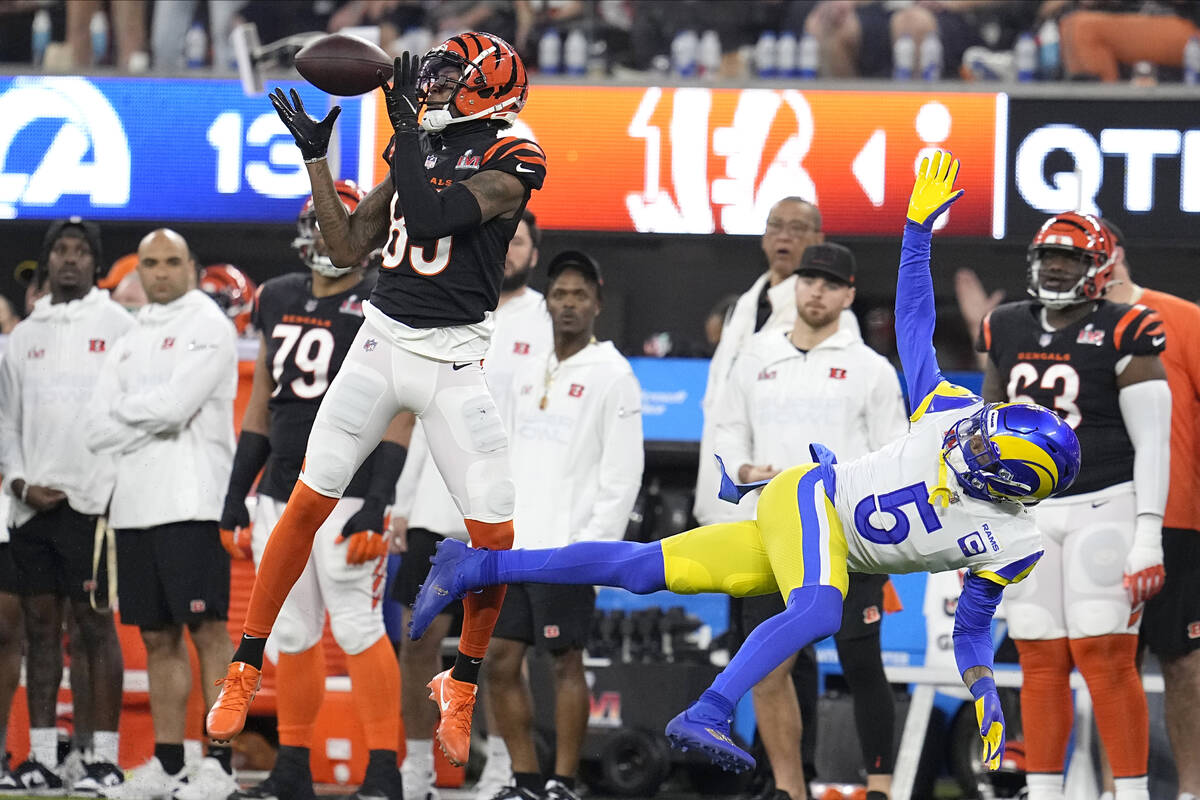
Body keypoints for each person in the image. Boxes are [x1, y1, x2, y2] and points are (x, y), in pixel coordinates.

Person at [410, 150, 1082, 780]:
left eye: (984, 450)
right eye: (981, 431)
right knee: (818, 608)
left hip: (825, 542)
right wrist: (916, 231)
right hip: (811, 501)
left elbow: (971, 630)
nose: (969, 438)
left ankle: (473, 566)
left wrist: (987, 692)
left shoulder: (1014, 542)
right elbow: (913, 323)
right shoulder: (948, 411)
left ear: (1007, 489)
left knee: (641, 570)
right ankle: (706, 710)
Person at [207, 32, 548, 771]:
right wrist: (318, 160)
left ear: (493, 85)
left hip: (454, 360)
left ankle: (460, 683)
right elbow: (345, 244)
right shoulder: (420, 144)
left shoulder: (514, 157)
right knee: (304, 501)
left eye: (453, 72)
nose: (433, 81)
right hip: (380, 344)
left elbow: (431, 221)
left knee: (496, 539)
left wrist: (403, 138)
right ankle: (246, 663)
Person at [219, 182, 410, 800]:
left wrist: (378, 504)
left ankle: (384, 769)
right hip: (281, 490)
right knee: (292, 633)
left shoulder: (385, 297)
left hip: (348, 491)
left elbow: (401, 407)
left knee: (357, 626)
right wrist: (235, 495)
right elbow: (260, 406)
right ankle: (293, 765)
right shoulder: (275, 297)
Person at [977, 212, 1168, 800]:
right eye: (1050, 257)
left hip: (1104, 504)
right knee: (1036, 652)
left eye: (1073, 259)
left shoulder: (1126, 328)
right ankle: (1045, 788)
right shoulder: (1004, 326)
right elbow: (985, 432)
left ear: (1100, 268)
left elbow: (1155, 440)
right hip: (1027, 514)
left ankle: (1131, 793)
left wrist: (1148, 534)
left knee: (1103, 652)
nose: (1058, 268)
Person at [711, 242, 908, 800]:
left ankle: (879, 788)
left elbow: (894, 452)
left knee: (860, 662)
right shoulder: (755, 356)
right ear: (793, 287)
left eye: (829, 283)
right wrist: (742, 467)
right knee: (770, 669)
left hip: (847, 536)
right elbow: (727, 430)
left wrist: (848, 486)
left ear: (848, 293)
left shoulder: (871, 367)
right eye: (808, 280)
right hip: (772, 534)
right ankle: (791, 790)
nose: (816, 291)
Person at [389, 209, 551, 800]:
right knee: (416, 643)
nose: (507, 250)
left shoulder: (548, 320)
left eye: (518, 240)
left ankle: (507, 770)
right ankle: (414, 772)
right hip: (433, 503)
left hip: (501, 512)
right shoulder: (447, 305)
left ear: (534, 252)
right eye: (499, 238)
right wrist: (401, 502)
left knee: (502, 653)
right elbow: (417, 406)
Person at [84, 228, 239, 800]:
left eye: (172, 262)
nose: (161, 273)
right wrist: (138, 416)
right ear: (139, 269)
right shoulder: (128, 337)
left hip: (192, 503)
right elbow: (94, 427)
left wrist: (125, 412)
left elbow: (177, 409)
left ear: (193, 267)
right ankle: (170, 764)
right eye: (150, 263)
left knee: (207, 631)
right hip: (135, 507)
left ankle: (218, 766)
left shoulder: (208, 326)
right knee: (156, 638)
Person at [484, 250, 643, 800]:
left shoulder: (613, 375)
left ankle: (564, 781)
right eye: (559, 294)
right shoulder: (528, 370)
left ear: (598, 303)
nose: (568, 304)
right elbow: (500, 452)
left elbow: (623, 475)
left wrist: (594, 552)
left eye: (579, 294)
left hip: (569, 550)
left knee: (563, 661)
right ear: (547, 303)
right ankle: (526, 778)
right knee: (498, 663)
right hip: (516, 546)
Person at [0, 218, 132, 794]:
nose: (70, 260)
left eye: (81, 251)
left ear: (96, 264)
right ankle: (44, 756)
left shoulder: (121, 326)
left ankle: (101, 757)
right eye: (61, 250)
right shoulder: (24, 336)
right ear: (47, 260)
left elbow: (132, 413)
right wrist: (21, 482)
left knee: (96, 629)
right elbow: (6, 421)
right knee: (39, 629)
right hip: (32, 505)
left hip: (96, 503)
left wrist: (107, 491)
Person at [1099, 220, 1200, 800]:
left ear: (1117, 253)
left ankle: (1189, 792)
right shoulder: (1076, 328)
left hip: (1178, 519)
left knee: (1184, 665)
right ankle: (1119, 792)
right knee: (1114, 666)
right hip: (1100, 516)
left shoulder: (1181, 317)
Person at [695, 196, 826, 529]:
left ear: (817, 240)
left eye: (797, 228)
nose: (784, 236)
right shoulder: (743, 307)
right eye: (776, 226)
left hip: (779, 491)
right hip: (721, 486)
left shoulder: (827, 316)